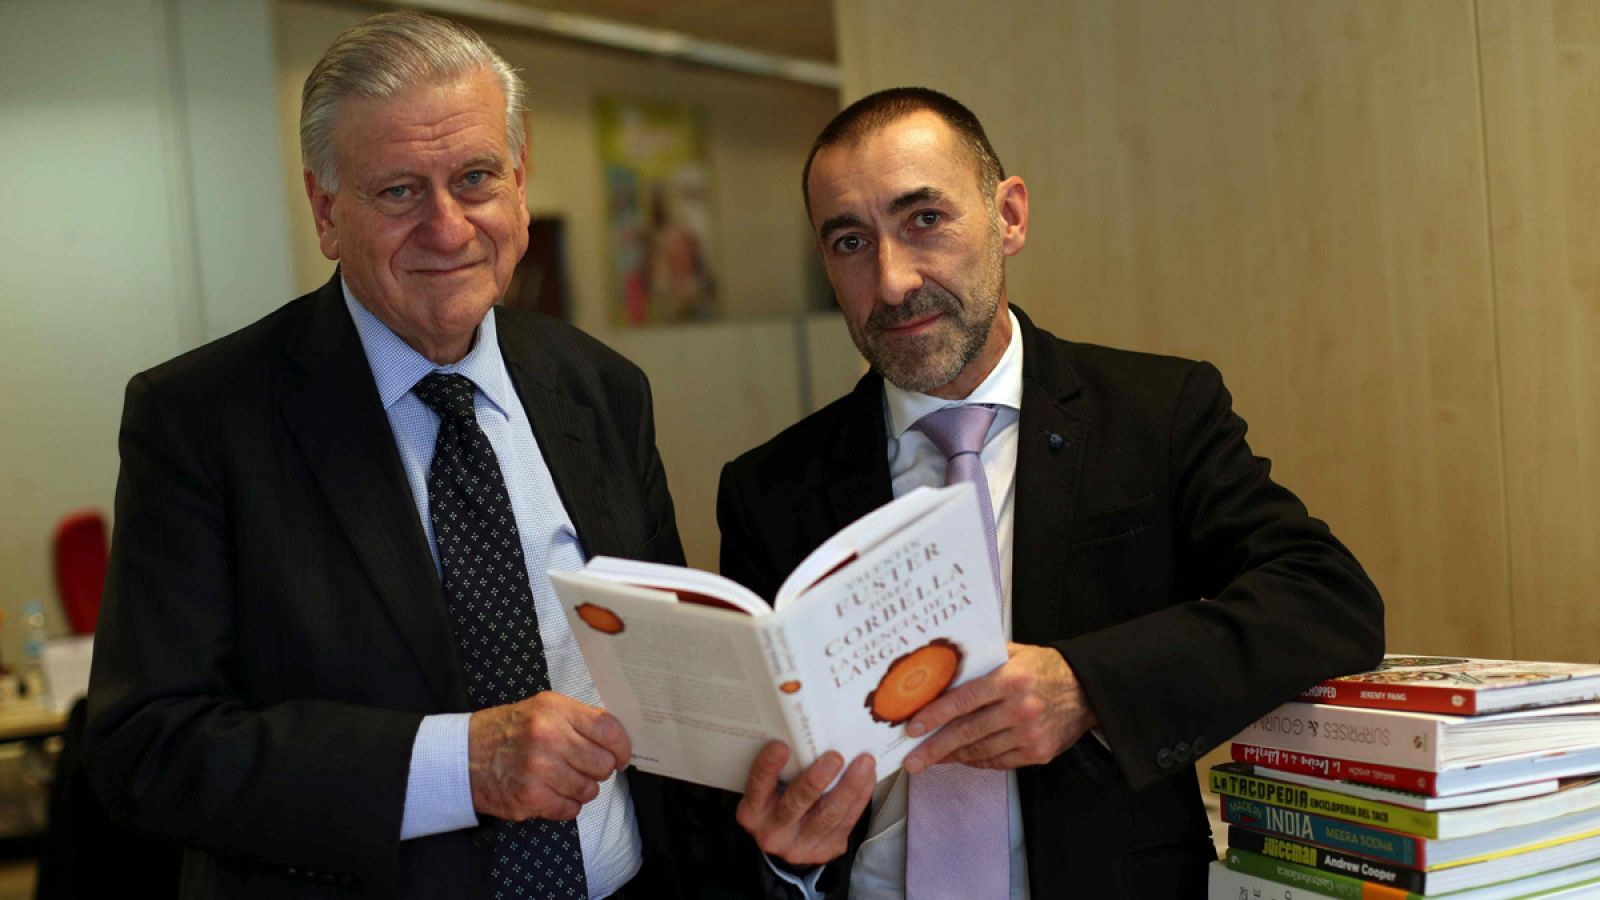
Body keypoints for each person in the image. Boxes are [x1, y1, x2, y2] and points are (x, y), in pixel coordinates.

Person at [85, 12, 714, 898]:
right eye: (398, 192)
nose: (449, 227)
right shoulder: (200, 420)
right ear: (324, 210)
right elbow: (148, 747)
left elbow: (661, 665)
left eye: (475, 177)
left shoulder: (602, 389)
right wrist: (461, 765)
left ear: (520, 184)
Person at [716, 87, 1385, 898]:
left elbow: (1327, 601)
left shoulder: (1156, 413)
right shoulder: (770, 488)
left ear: (1009, 217)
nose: (891, 282)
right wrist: (790, 857)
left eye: (924, 220)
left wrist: (1087, 687)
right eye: (851, 241)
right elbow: (753, 779)